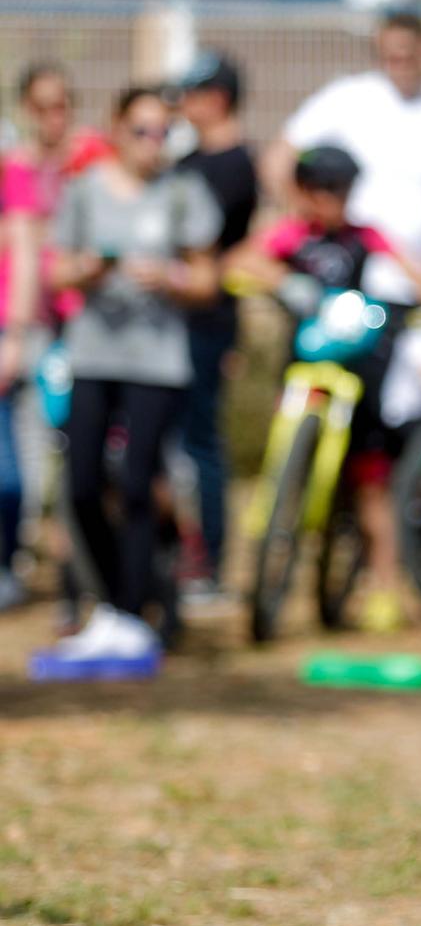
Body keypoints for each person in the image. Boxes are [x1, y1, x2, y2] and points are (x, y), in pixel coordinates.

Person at [45, 86, 223, 666]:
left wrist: (171, 278)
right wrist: (88, 270)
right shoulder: (85, 190)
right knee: (81, 485)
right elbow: (57, 272)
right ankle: (117, 596)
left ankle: (130, 612)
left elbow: (207, 279)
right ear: (116, 129)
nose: (152, 143)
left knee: (142, 480)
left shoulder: (181, 193)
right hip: (95, 354)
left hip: (156, 360)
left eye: (161, 132)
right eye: (141, 130)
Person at [226, 146, 421, 633]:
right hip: (305, 372)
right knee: (285, 468)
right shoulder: (292, 236)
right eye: (323, 190)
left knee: (369, 484)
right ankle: (275, 559)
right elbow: (240, 261)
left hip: (359, 376)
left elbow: (419, 277)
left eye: (342, 191)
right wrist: (282, 280)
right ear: (303, 191)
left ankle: (385, 588)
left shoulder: (366, 238)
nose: (333, 201)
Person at [265, 10, 421, 306]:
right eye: (387, 55)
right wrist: (309, 215)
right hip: (351, 280)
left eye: (405, 55)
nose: (396, 64)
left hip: (419, 276)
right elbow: (278, 160)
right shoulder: (348, 97)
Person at [2, 64, 109, 613]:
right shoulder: (19, 167)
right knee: (41, 445)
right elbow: (23, 245)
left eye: (63, 104)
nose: (55, 117)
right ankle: (37, 558)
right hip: (41, 324)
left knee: (82, 447)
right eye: (43, 107)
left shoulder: (90, 156)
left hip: (89, 323)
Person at [171, 51, 258, 604]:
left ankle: (210, 566)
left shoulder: (232, 166)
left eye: (191, 92)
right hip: (173, 321)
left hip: (207, 324)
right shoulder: (189, 161)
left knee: (201, 445)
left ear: (217, 98)